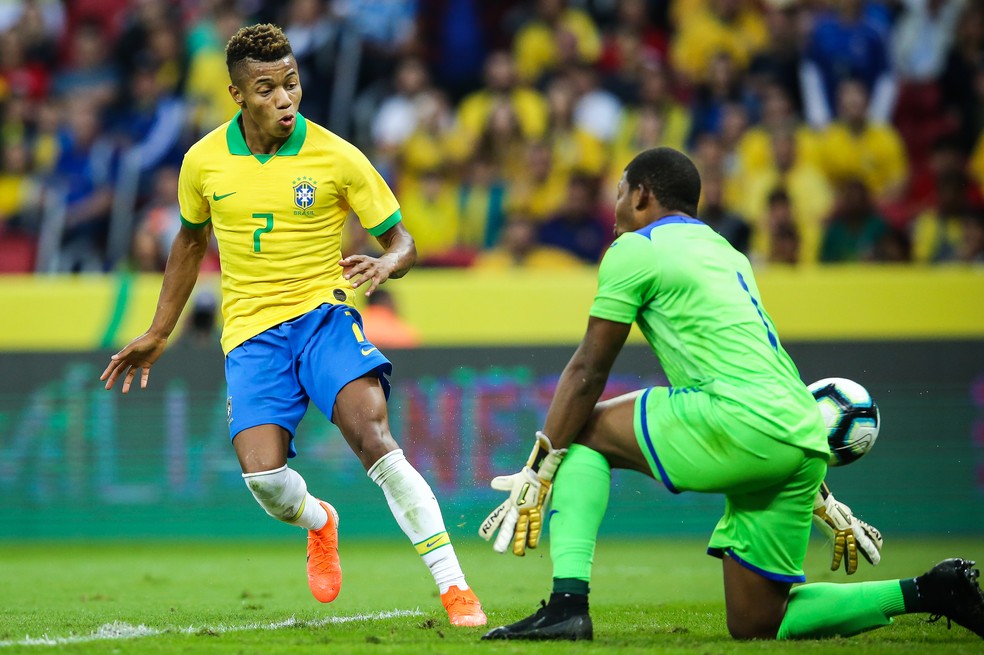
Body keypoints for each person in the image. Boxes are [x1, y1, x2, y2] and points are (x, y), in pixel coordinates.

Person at [479, 147, 984, 641]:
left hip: (737, 417)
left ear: (641, 195)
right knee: (758, 621)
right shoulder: (728, 253)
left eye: (618, 193)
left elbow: (589, 368)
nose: (612, 210)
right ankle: (930, 590)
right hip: (804, 435)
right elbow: (759, 374)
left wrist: (540, 466)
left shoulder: (636, 249)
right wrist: (820, 493)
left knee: (581, 431)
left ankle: (567, 607)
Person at [100, 23, 486, 628]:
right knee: (264, 478)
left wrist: (389, 262)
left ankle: (455, 587)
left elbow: (403, 241)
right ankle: (320, 521)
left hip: (323, 316)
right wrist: (159, 330)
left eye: (291, 83)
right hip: (251, 334)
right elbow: (190, 243)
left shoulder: (337, 156)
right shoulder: (202, 162)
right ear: (237, 94)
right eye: (267, 89)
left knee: (374, 437)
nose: (285, 99)